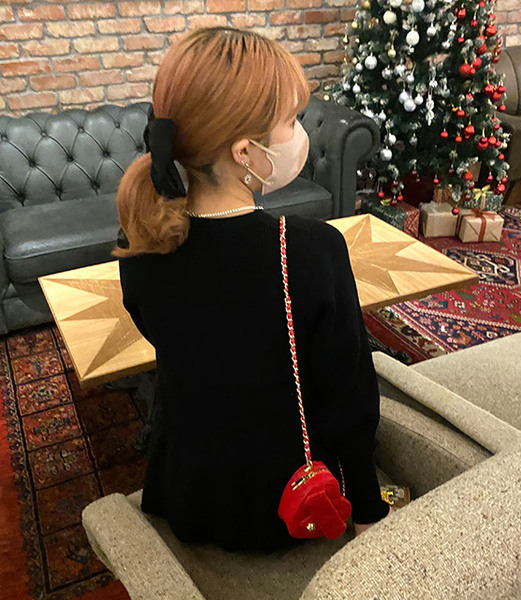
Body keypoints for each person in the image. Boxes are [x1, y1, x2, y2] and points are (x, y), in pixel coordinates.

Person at [113, 26, 391, 553]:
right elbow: (348, 398)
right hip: (284, 506)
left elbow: (174, 347)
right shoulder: (310, 249)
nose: (300, 134)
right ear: (245, 150)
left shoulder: (141, 242)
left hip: (186, 493)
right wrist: (369, 511)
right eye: (291, 121)